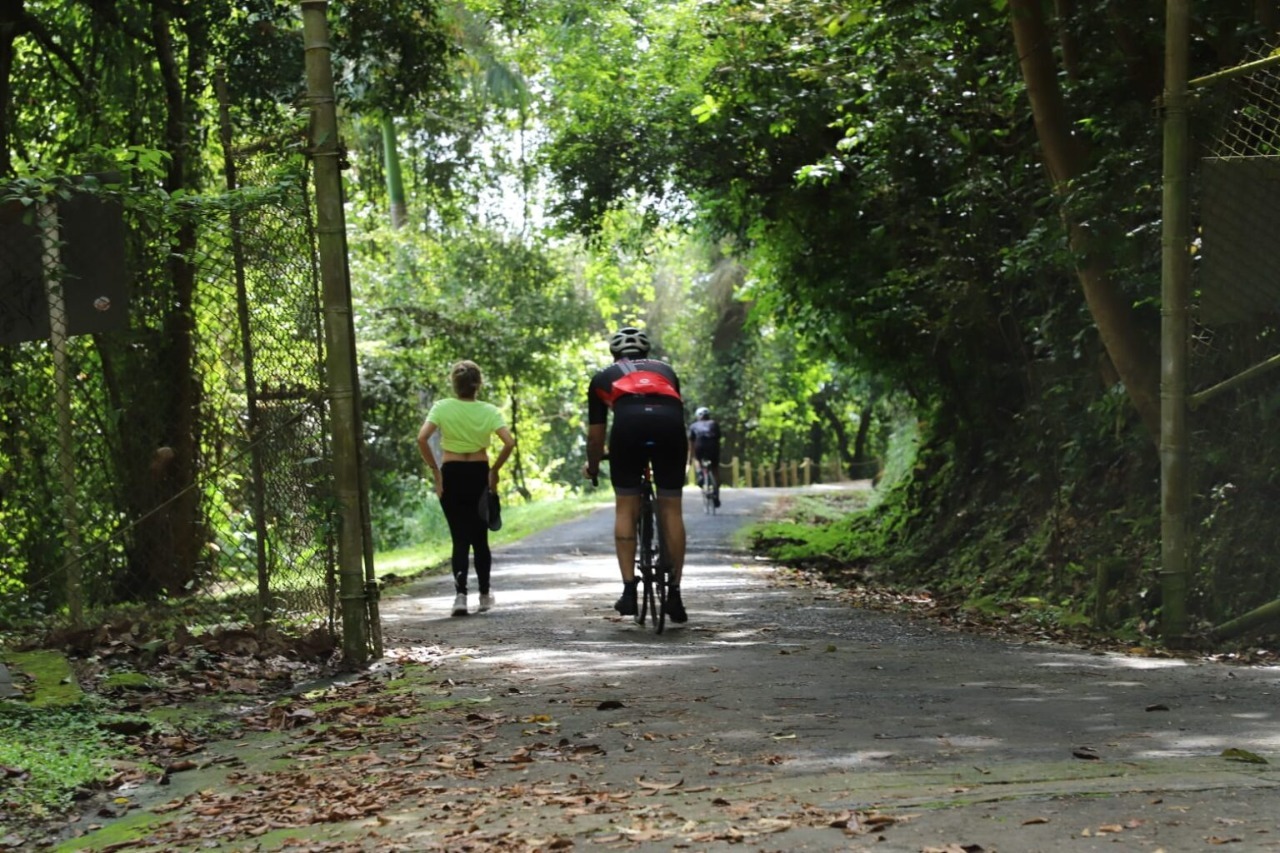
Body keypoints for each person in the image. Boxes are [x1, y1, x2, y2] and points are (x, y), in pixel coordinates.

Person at [584, 326, 690, 623]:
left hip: (628, 430)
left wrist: (592, 468)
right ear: (647, 353)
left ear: (614, 353)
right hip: (670, 430)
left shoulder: (602, 377)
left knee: (625, 506)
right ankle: (675, 595)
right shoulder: (666, 371)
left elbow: (595, 439)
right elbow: (675, 410)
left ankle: (629, 591)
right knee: (671, 507)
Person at [417, 360, 516, 617]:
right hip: (479, 474)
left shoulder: (442, 407)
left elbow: (422, 438)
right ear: (478, 384)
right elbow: (508, 443)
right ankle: (484, 595)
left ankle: (460, 597)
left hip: (452, 474)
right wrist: (494, 471)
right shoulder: (489, 411)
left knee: (460, 538)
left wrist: (436, 472)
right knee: (480, 538)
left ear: (454, 383)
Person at [688, 406, 722, 508]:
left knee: (697, 459)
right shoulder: (714, 423)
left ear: (698, 416)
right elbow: (718, 438)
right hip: (713, 446)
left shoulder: (693, 425)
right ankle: (716, 494)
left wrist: (690, 458)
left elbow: (691, 443)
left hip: (700, 445)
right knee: (715, 469)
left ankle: (700, 473)